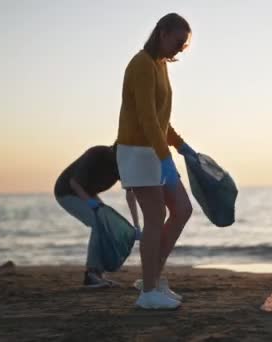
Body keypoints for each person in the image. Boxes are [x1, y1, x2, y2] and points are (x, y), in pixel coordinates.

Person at [116, 13, 197, 309]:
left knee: (182, 209)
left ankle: (152, 277)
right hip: (137, 152)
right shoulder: (141, 65)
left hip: (156, 150)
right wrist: (165, 158)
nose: (180, 48)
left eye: (184, 45)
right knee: (154, 218)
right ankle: (148, 292)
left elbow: (162, 119)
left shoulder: (160, 65)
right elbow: (146, 118)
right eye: (178, 41)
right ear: (162, 33)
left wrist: (182, 145)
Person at [54, 144, 141, 288]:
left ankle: (98, 274)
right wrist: (90, 203)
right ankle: (91, 274)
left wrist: (136, 224)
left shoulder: (123, 164)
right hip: (66, 191)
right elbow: (74, 183)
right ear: (114, 150)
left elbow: (130, 194)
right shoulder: (97, 154)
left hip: (89, 193)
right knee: (97, 222)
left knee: (107, 224)